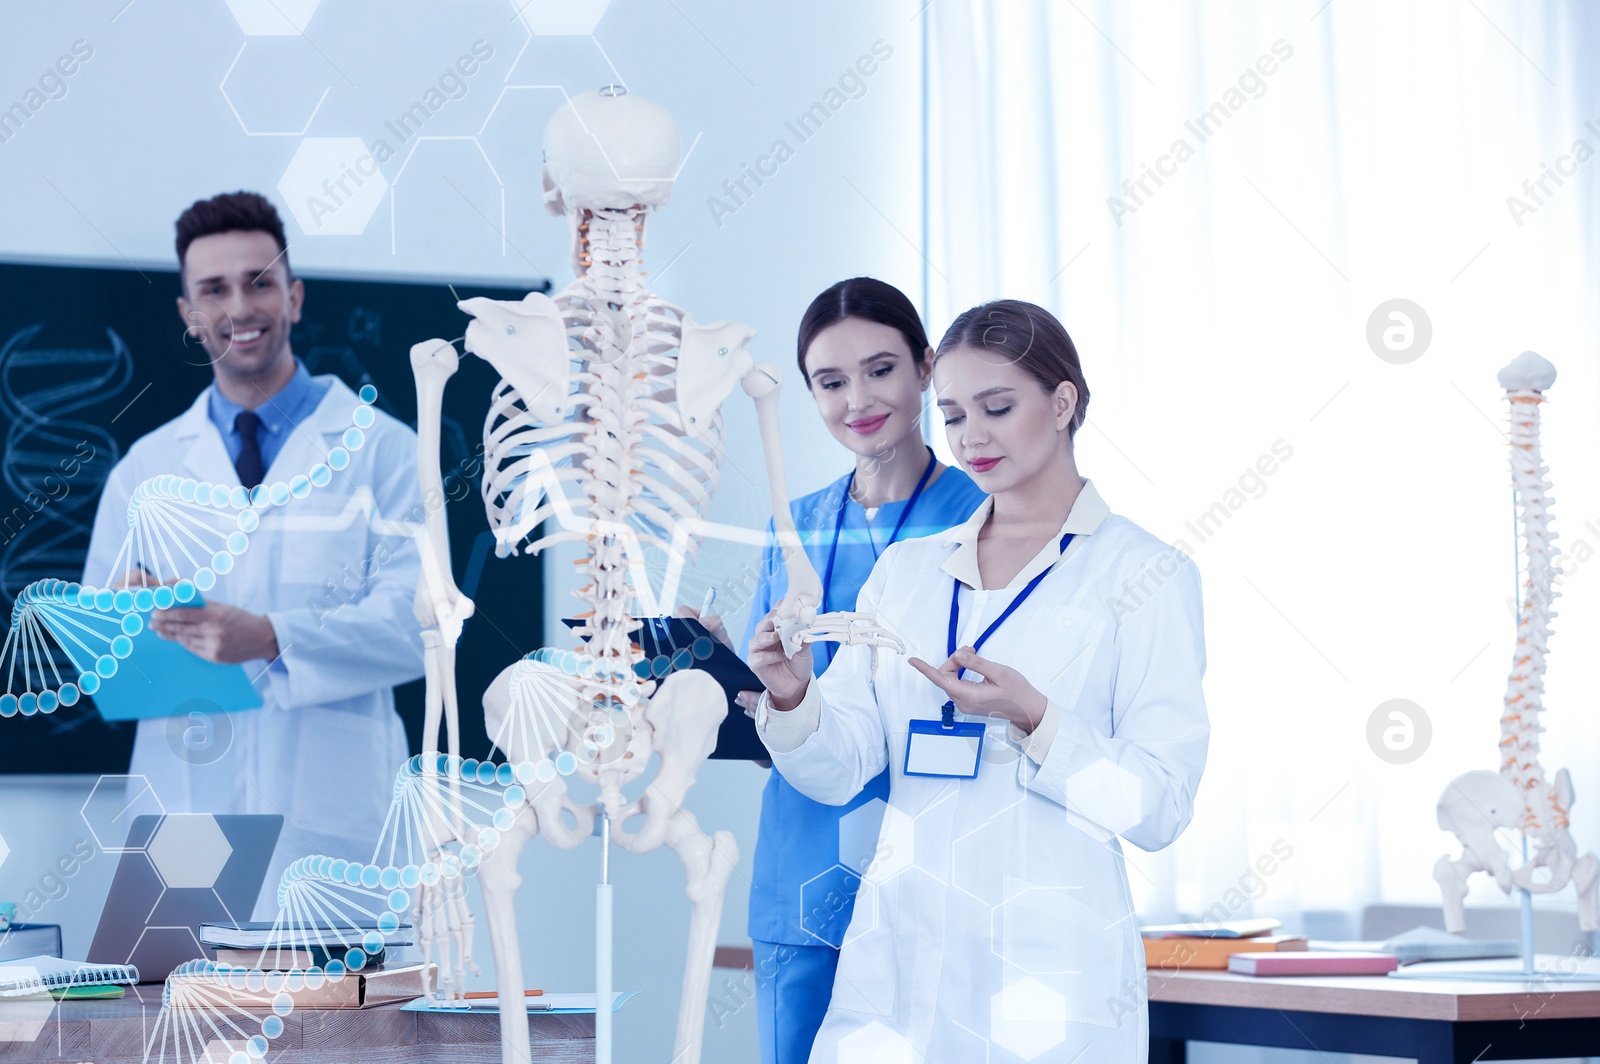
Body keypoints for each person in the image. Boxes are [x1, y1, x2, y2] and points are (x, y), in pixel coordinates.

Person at [748, 299, 1209, 1062]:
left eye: (998, 407)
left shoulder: (1145, 574)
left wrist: (1037, 719)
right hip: (896, 968)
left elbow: (1159, 806)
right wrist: (795, 694)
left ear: (1064, 402)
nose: (972, 437)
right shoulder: (908, 573)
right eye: (954, 414)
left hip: (1045, 973)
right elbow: (840, 769)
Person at [81, 191, 426, 913]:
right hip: (185, 821)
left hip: (336, 835)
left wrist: (270, 638)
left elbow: (417, 627)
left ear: (293, 297)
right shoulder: (146, 472)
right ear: (189, 315)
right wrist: (135, 620)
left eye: (259, 282)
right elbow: (101, 656)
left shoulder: (385, 452)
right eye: (214, 289)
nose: (240, 307)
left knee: (356, 1024)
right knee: (182, 1022)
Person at [728, 278, 986, 1064]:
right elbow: (761, 710)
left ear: (926, 368)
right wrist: (717, 666)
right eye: (830, 383)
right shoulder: (794, 526)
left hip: (940, 862)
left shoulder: (984, 515)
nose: (858, 400)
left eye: (880, 370)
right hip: (804, 861)